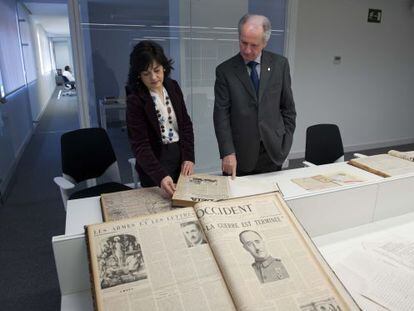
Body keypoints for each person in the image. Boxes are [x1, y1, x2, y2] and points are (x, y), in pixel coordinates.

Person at [214, 14, 296, 178]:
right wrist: (227, 152)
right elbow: (221, 115)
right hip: (239, 154)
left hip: (273, 150)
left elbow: (288, 108)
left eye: (254, 45)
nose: (247, 50)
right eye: (243, 42)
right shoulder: (225, 71)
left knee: (270, 197)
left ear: (265, 42)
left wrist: (284, 143)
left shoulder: (280, 65)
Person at [126, 41, 195, 197]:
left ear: (164, 66)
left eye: (157, 70)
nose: (153, 77)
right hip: (154, 163)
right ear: (138, 75)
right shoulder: (135, 100)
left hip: (179, 157)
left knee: (183, 204)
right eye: (146, 73)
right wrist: (160, 176)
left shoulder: (173, 87)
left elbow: (185, 125)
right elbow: (140, 145)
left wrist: (189, 157)